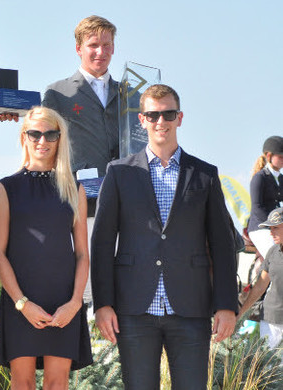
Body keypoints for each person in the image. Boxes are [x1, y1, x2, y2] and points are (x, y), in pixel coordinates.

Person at [91, 84, 237, 389]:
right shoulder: (119, 173)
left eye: (168, 113)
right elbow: (103, 243)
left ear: (179, 117)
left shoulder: (205, 175)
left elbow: (223, 245)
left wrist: (226, 305)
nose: (161, 121)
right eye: (153, 114)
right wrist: (102, 303)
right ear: (141, 119)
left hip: (190, 307)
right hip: (133, 308)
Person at [0, 107, 92, 389]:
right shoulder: (6, 188)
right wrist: (22, 303)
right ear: (24, 137)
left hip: (63, 302)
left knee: (57, 383)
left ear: (60, 139)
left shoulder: (75, 189)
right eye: (34, 133)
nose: (42, 141)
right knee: (21, 383)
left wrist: (74, 303)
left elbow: (83, 254)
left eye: (50, 134)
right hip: (20, 301)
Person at [42, 15, 119, 216]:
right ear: (78, 49)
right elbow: (45, 147)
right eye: (93, 45)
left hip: (124, 200)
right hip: (77, 200)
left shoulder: (130, 95)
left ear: (113, 47)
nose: (100, 52)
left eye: (106, 44)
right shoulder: (58, 93)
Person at [240, 207, 283, 349]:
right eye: (270, 228)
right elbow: (260, 286)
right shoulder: (273, 251)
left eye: (275, 228)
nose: (271, 233)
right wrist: (241, 313)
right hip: (270, 320)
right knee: (270, 368)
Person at [247, 136, 283, 260]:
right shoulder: (259, 177)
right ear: (268, 156)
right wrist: (272, 226)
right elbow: (257, 207)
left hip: (275, 226)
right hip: (260, 228)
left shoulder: (281, 178)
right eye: (280, 157)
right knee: (276, 258)